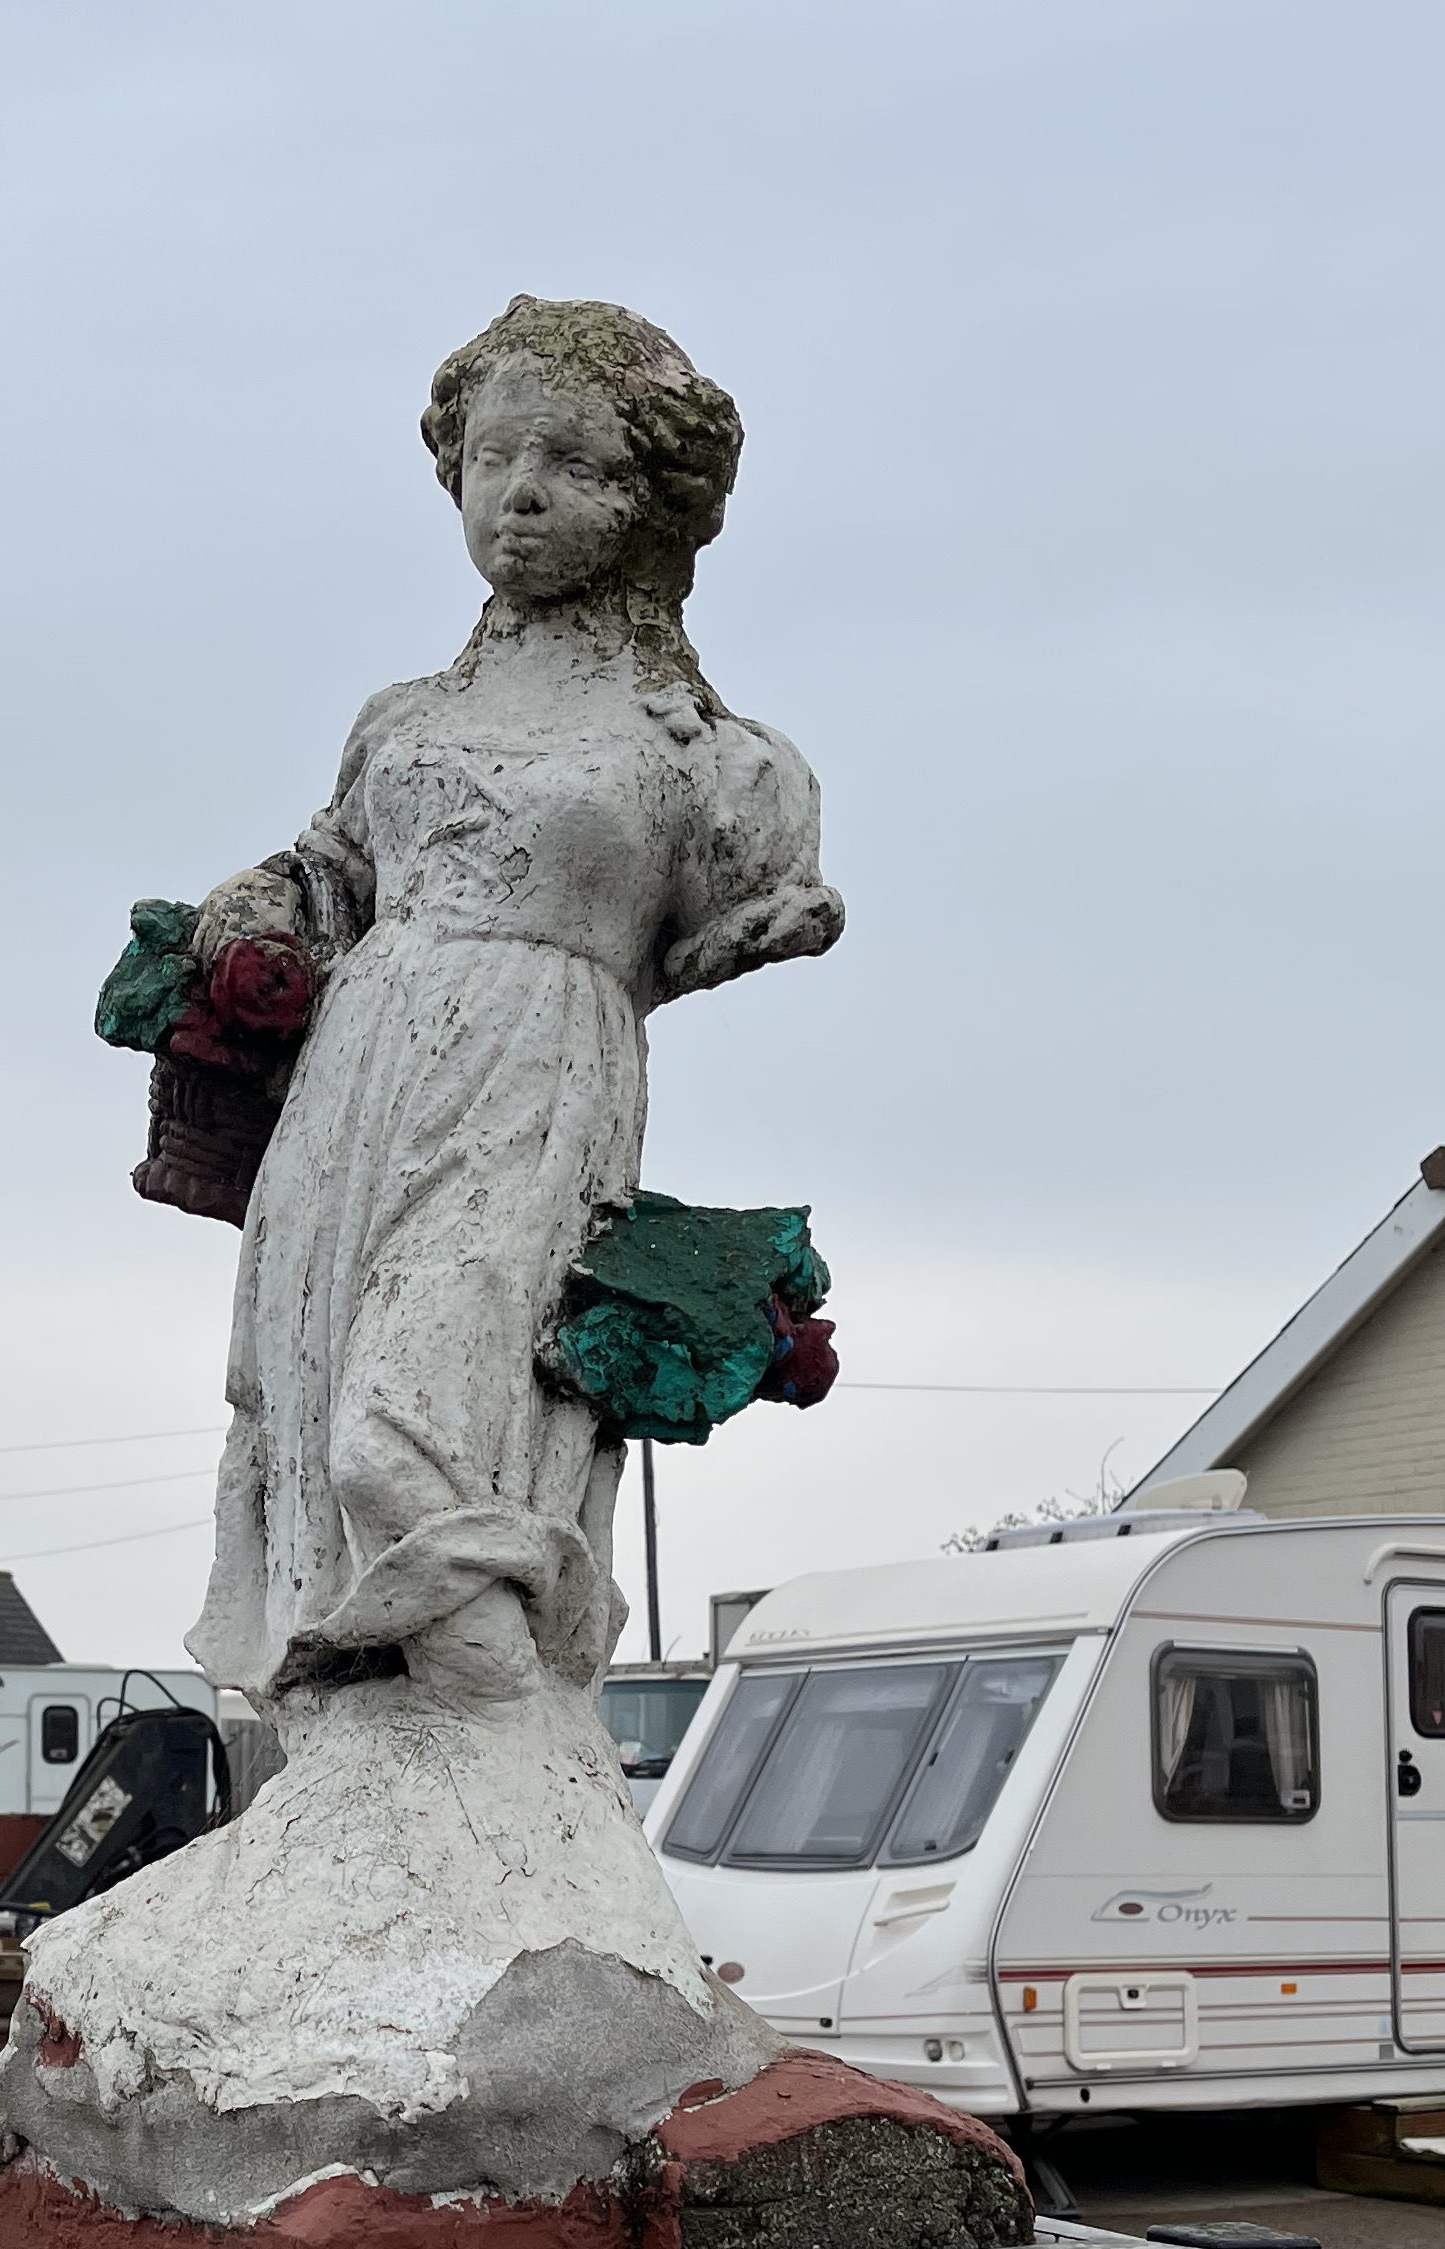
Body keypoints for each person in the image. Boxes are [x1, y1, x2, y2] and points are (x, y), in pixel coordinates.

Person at [187, 296, 842, 1716]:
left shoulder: (721, 766)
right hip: (360, 1082)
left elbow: (734, 924)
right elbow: (333, 872)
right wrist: (257, 909)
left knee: (397, 1431)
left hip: (536, 1079)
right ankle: (392, 1776)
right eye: (492, 458)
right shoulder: (400, 719)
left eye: (571, 462)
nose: (521, 492)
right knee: (311, 1436)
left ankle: (512, 1733)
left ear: (652, 502)